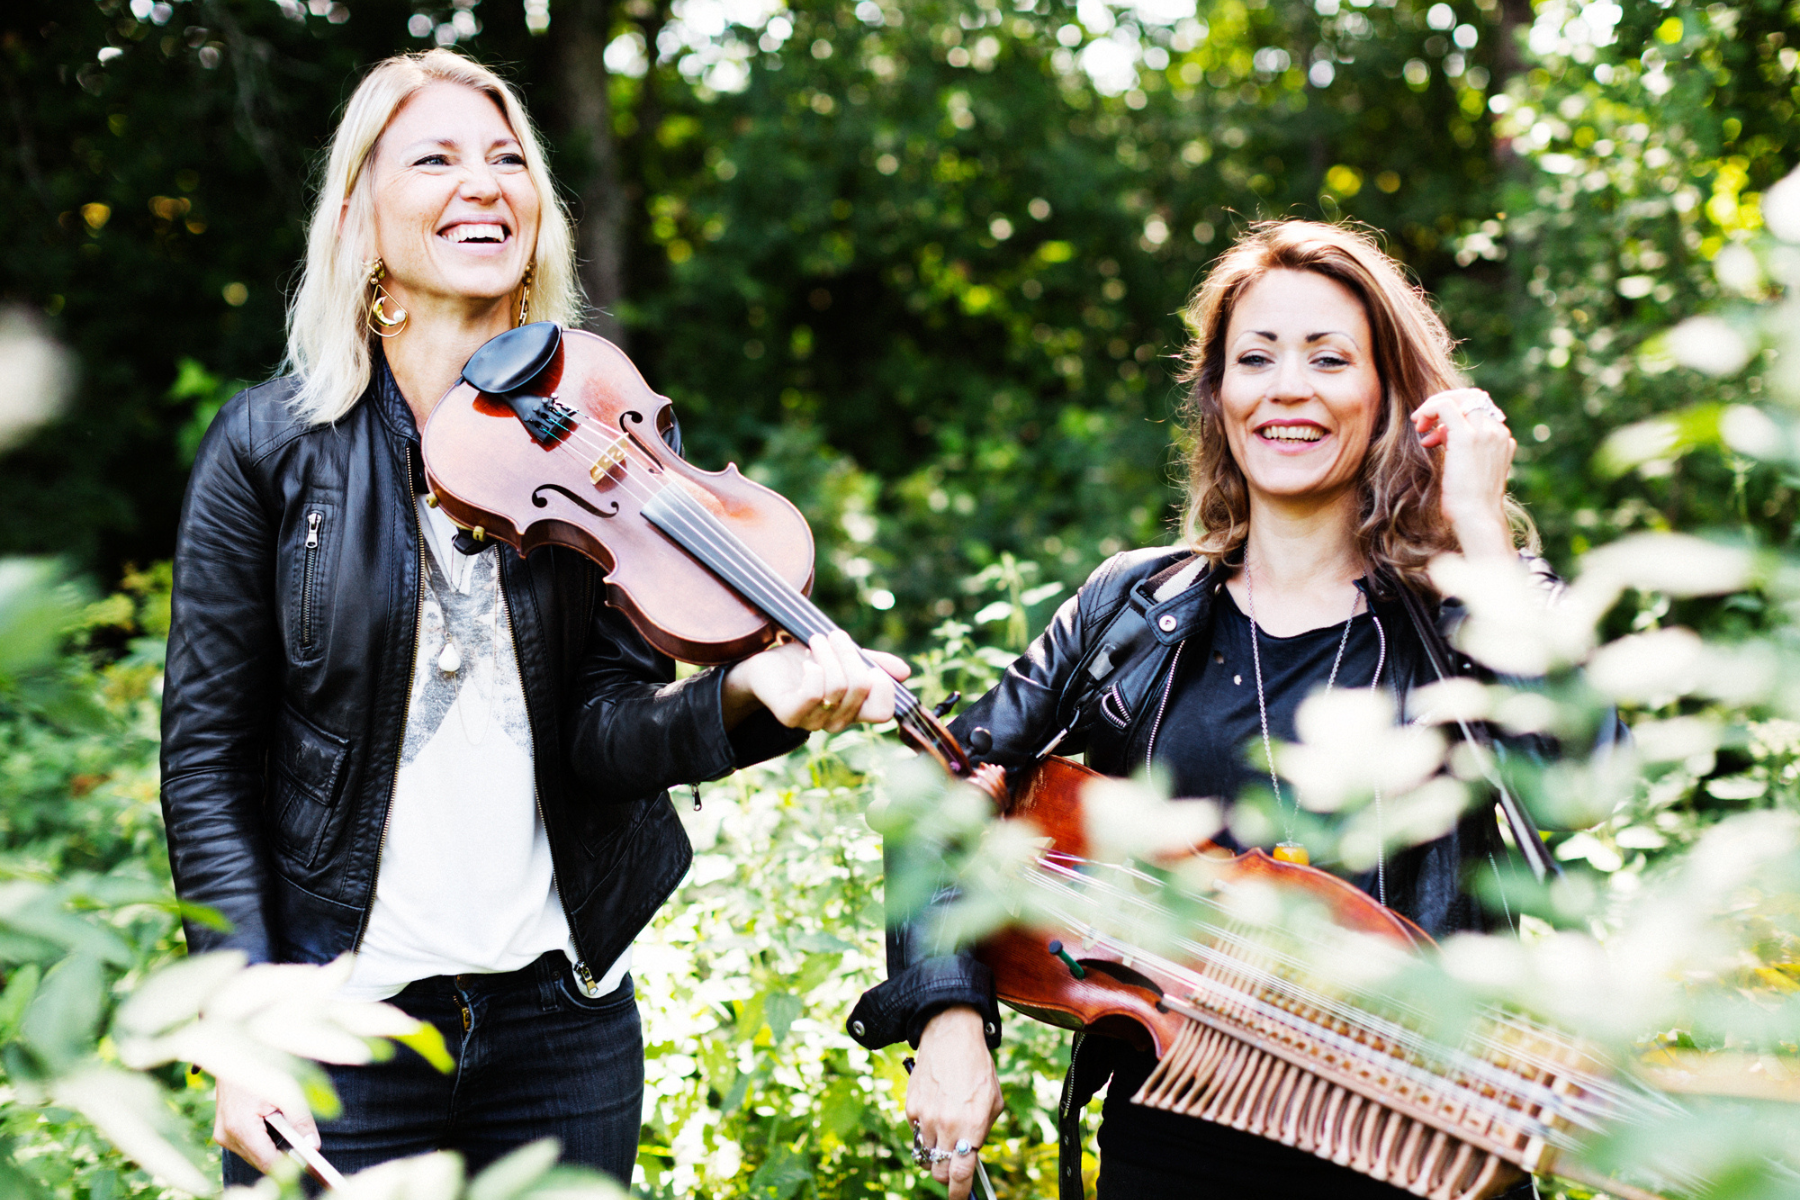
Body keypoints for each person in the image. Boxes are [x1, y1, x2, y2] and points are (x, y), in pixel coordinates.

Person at [160, 49, 906, 1188]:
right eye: (438, 157)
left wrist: (752, 697)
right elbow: (207, 763)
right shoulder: (267, 451)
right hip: (337, 1030)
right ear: (362, 213)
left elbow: (605, 736)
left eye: (509, 157)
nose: (485, 181)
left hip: (562, 1026)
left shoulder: (596, 435)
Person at [847, 220, 1554, 1200]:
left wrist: (1479, 525)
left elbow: (1570, 772)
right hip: (1181, 1145)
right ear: (1219, 397)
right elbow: (944, 785)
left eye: (1329, 357)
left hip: (1424, 1143)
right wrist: (949, 1018)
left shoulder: (1462, 608)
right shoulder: (1135, 609)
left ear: (1387, 392)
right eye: (1255, 358)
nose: (1288, 387)